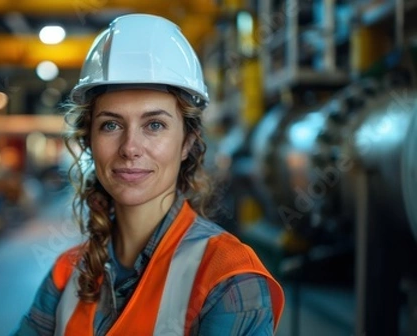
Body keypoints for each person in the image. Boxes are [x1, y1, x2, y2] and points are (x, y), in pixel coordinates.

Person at [14, 13, 284, 335]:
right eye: (111, 125)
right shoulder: (67, 273)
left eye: (154, 125)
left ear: (187, 143)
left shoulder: (229, 278)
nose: (130, 148)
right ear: (89, 141)